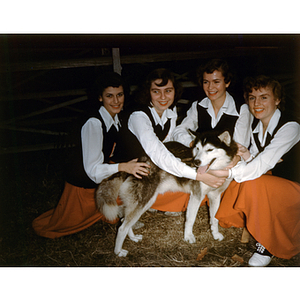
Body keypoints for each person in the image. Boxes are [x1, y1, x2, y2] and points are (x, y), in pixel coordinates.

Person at [32, 72, 150, 238]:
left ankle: (114, 210)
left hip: (98, 179)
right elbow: (92, 171)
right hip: (83, 184)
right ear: (100, 98)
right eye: (109, 96)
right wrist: (124, 166)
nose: (116, 101)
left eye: (120, 95)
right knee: (59, 226)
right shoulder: (94, 123)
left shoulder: (115, 118)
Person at [208, 75, 300, 266]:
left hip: (295, 187)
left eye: (264, 97)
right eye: (252, 98)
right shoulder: (257, 126)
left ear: (277, 100)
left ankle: (266, 243)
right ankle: (254, 219)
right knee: (243, 181)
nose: (257, 103)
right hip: (279, 181)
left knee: (254, 181)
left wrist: (230, 172)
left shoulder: (291, 127)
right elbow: (256, 161)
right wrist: (246, 155)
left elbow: (262, 165)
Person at [112, 68, 226, 214]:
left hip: (148, 166)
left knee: (187, 183)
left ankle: (161, 203)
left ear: (175, 91)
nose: (163, 97)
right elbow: (157, 152)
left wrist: (194, 147)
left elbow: (171, 142)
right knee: (190, 182)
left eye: (168, 91)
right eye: (156, 91)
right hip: (127, 169)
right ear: (148, 92)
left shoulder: (169, 112)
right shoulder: (139, 116)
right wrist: (197, 175)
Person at [172, 59, 251, 149]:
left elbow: (240, 147)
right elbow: (179, 131)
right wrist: (193, 144)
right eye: (206, 82)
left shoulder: (241, 109)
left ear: (227, 82)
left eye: (216, 82)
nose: (210, 87)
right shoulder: (198, 106)